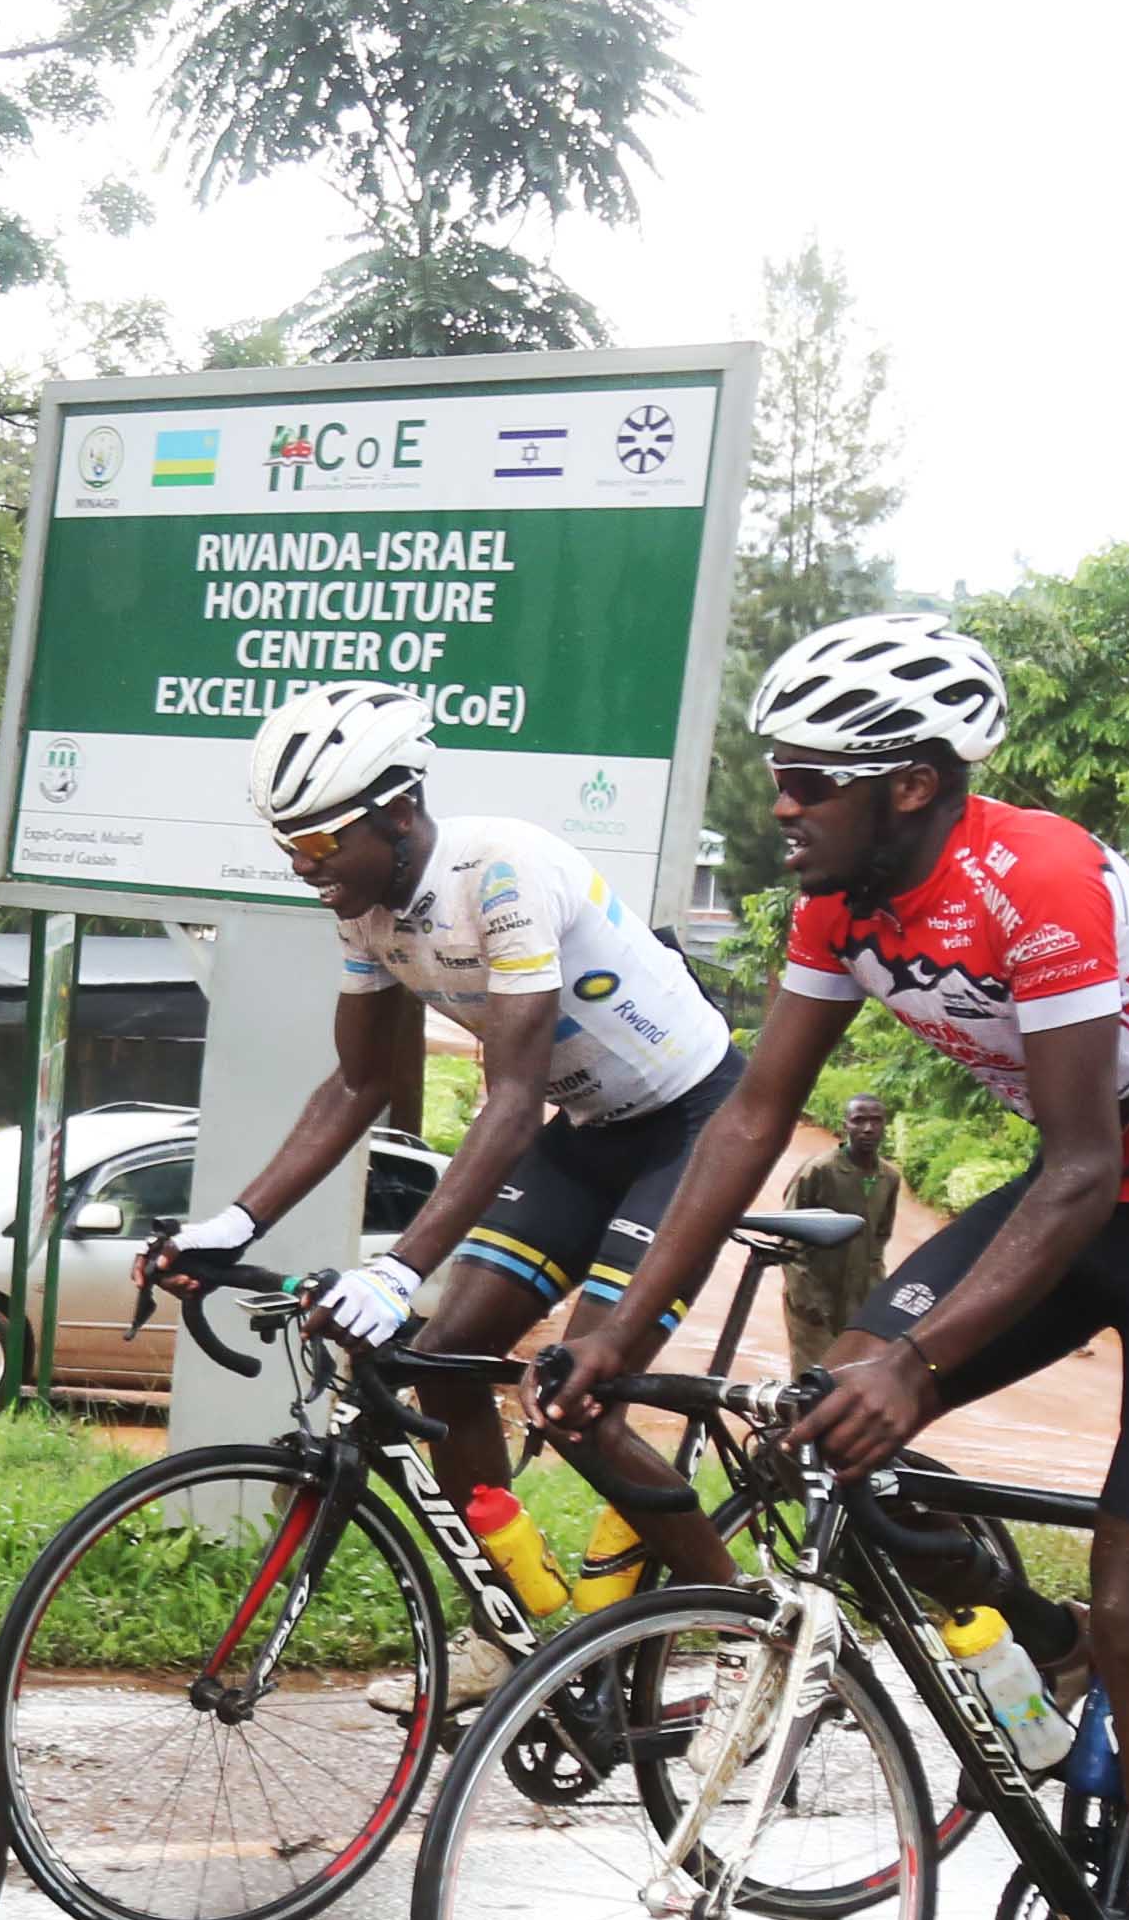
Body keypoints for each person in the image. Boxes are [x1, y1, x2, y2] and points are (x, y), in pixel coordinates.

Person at [542, 608, 1129, 1920]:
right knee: (812, 1421)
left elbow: (1091, 1163)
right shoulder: (841, 902)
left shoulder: (1034, 882)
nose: (781, 804)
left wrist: (924, 1357)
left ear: (910, 780)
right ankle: (1038, 1654)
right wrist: (621, 1337)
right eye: (777, 774)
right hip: (1066, 1196)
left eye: (808, 778)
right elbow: (749, 1118)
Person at [137, 684, 759, 1665]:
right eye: (287, 849)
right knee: (440, 1357)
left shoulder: (498, 874)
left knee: (572, 1396)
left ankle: (745, 1625)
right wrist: (233, 1223)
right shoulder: (369, 908)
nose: (305, 871)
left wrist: (396, 1268)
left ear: (395, 811)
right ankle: (514, 1613)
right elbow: (358, 1082)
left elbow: (509, 1103)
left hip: (695, 1121)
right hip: (594, 1123)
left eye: (316, 845)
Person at [779, 1093, 901, 1371]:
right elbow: (787, 1237)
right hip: (813, 1295)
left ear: (885, 1126)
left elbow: (880, 1239)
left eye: (876, 1121)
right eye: (859, 1120)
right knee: (810, 1381)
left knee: (850, 1375)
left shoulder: (889, 1178)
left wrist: (878, 1297)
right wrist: (804, 1296)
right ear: (845, 1125)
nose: (868, 1129)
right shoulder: (819, 1170)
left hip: (860, 1298)